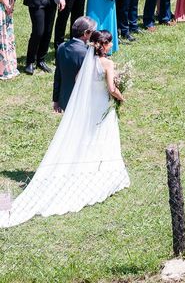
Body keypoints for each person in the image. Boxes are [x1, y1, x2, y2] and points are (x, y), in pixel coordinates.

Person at [0, 30, 129, 228]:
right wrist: (121, 97)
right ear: (102, 45)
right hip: (102, 105)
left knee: (89, 136)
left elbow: (78, 81)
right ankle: (103, 171)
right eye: (109, 43)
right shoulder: (107, 64)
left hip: (90, 107)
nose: (111, 45)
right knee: (101, 136)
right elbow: (112, 88)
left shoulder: (87, 64)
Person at [53, 15, 96, 112]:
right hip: (82, 101)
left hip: (65, 99)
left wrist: (56, 99)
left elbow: (57, 75)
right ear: (86, 33)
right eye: (93, 32)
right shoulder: (86, 53)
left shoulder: (62, 47)